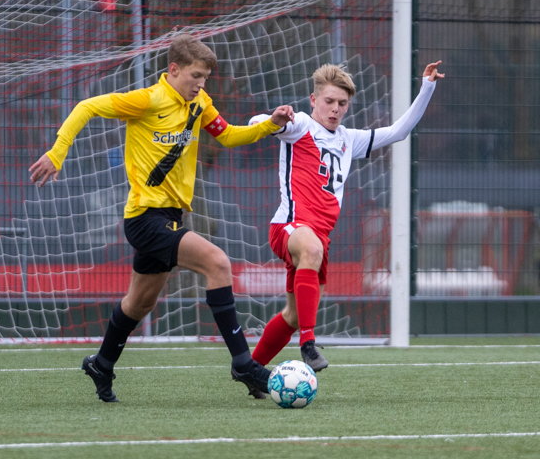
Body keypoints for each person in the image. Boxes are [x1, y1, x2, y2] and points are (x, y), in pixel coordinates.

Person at [29, 34, 295, 402]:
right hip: (145, 218)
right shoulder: (147, 100)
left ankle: (101, 364)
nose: (201, 84)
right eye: (195, 76)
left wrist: (271, 124)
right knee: (218, 263)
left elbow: (230, 136)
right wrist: (58, 153)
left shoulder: (199, 103)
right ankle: (243, 364)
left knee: (138, 303)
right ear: (173, 70)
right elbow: (86, 107)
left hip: (169, 217)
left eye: (205, 78)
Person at [250, 61, 445, 372]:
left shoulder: (348, 139)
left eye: (342, 103)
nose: (335, 109)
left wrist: (427, 87)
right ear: (313, 100)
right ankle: (308, 345)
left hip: (318, 237)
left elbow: (399, 131)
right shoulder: (299, 125)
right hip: (289, 227)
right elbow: (255, 121)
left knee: (294, 314)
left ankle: (249, 368)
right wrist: (272, 119)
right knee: (312, 251)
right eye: (329, 101)